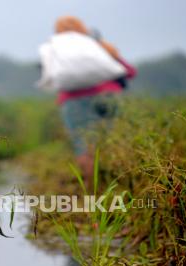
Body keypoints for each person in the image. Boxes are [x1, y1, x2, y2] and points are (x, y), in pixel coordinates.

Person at [52, 16, 137, 183]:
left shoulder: (55, 49)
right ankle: (119, 184)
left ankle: (93, 189)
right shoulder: (99, 45)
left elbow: (52, 78)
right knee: (112, 139)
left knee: (82, 145)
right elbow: (130, 72)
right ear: (82, 27)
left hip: (73, 101)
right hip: (109, 96)